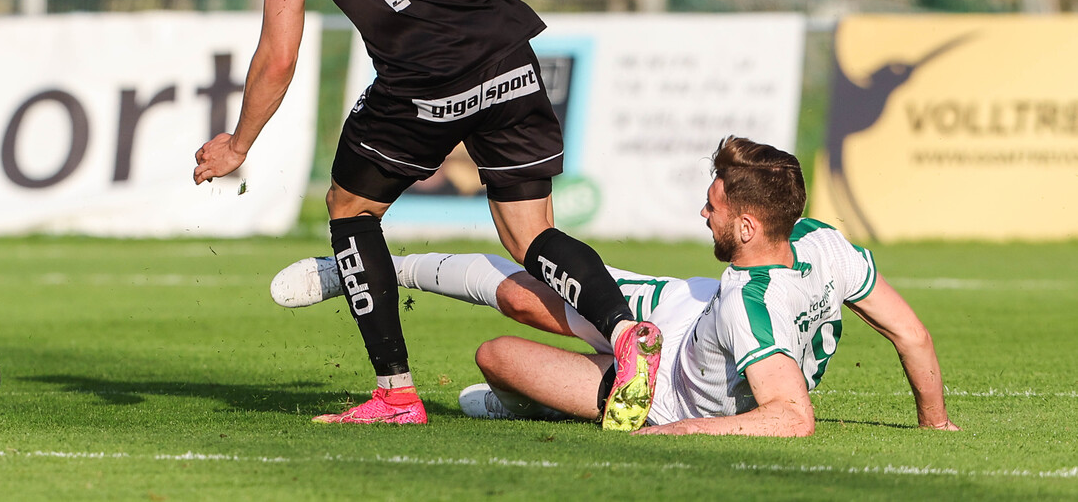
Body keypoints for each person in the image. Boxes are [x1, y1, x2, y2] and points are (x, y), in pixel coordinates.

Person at [193, 0, 658, 428]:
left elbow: (281, 52)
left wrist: (239, 143)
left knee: (350, 207)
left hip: (419, 83)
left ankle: (396, 394)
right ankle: (621, 332)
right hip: (505, 52)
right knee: (532, 235)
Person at [270, 136, 960, 436]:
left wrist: (678, 431)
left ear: (748, 225)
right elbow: (912, 332)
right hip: (684, 313)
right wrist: (935, 422)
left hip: (660, 389)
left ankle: (544, 404)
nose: (703, 210)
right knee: (522, 290)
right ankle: (363, 268)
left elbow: (791, 418)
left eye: (714, 205)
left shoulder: (753, 306)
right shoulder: (821, 242)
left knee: (494, 354)